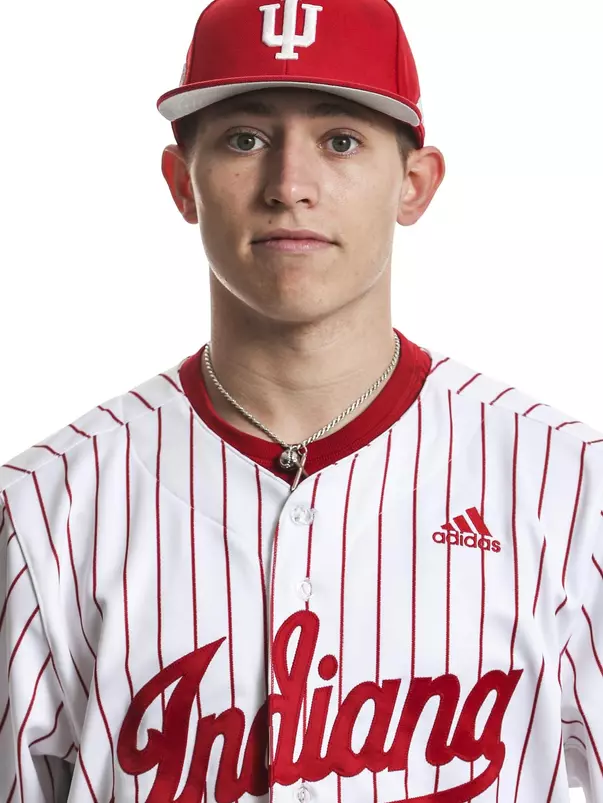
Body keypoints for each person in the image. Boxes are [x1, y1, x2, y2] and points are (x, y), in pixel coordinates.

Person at [1, 0, 601, 800]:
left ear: (414, 185)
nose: (289, 186)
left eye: (340, 140)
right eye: (245, 139)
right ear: (183, 183)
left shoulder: (567, 489)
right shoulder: (46, 507)